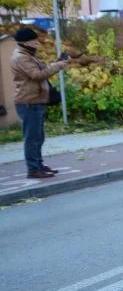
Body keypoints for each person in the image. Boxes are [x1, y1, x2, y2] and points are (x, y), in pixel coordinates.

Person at [10, 27, 69, 179]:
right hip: (29, 102)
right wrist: (58, 66)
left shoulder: (28, 55)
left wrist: (56, 63)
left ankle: (38, 165)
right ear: (25, 42)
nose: (37, 43)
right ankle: (33, 169)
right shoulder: (21, 57)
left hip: (35, 100)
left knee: (38, 137)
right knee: (32, 138)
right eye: (33, 40)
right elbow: (36, 75)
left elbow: (40, 72)